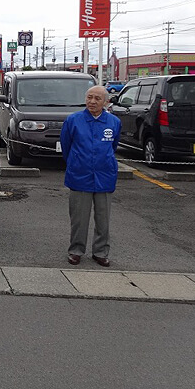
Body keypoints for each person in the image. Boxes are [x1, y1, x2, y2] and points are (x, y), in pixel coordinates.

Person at [60, 85, 121, 267]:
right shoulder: (73, 120)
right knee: (79, 218)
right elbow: (66, 146)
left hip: (105, 175)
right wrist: (76, 162)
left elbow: (114, 146)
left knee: (103, 219)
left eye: (97, 99)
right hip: (80, 175)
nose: (92, 102)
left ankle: (101, 252)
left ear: (106, 102)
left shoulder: (114, 122)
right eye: (89, 97)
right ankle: (76, 250)